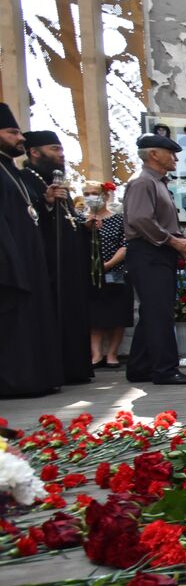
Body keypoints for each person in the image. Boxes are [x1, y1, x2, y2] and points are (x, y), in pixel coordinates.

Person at [123, 133, 186, 385]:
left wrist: (177, 246)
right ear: (154, 154)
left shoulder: (156, 182)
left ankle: (139, 367)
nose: (176, 158)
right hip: (148, 251)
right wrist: (173, 241)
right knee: (160, 312)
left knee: (152, 312)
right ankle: (165, 369)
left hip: (156, 251)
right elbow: (140, 219)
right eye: (170, 153)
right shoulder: (143, 182)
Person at [20, 130, 93, 384]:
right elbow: (25, 221)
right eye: (54, 149)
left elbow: (68, 222)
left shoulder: (57, 182)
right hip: (47, 266)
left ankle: (74, 369)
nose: (60, 154)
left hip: (68, 264)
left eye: (61, 149)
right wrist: (46, 202)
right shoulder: (24, 180)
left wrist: (85, 227)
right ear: (34, 152)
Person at [0, 104, 63, 397]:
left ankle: (34, 378)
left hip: (27, 259)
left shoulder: (10, 171)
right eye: (12, 132)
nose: (20, 139)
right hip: (9, 262)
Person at [82, 181, 132, 368]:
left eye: (94, 193)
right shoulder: (81, 220)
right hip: (90, 275)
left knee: (116, 315)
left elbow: (125, 245)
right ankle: (96, 354)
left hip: (116, 272)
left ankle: (112, 354)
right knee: (94, 315)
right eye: (86, 193)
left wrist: (109, 264)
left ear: (104, 195)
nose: (90, 197)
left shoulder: (118, 219)